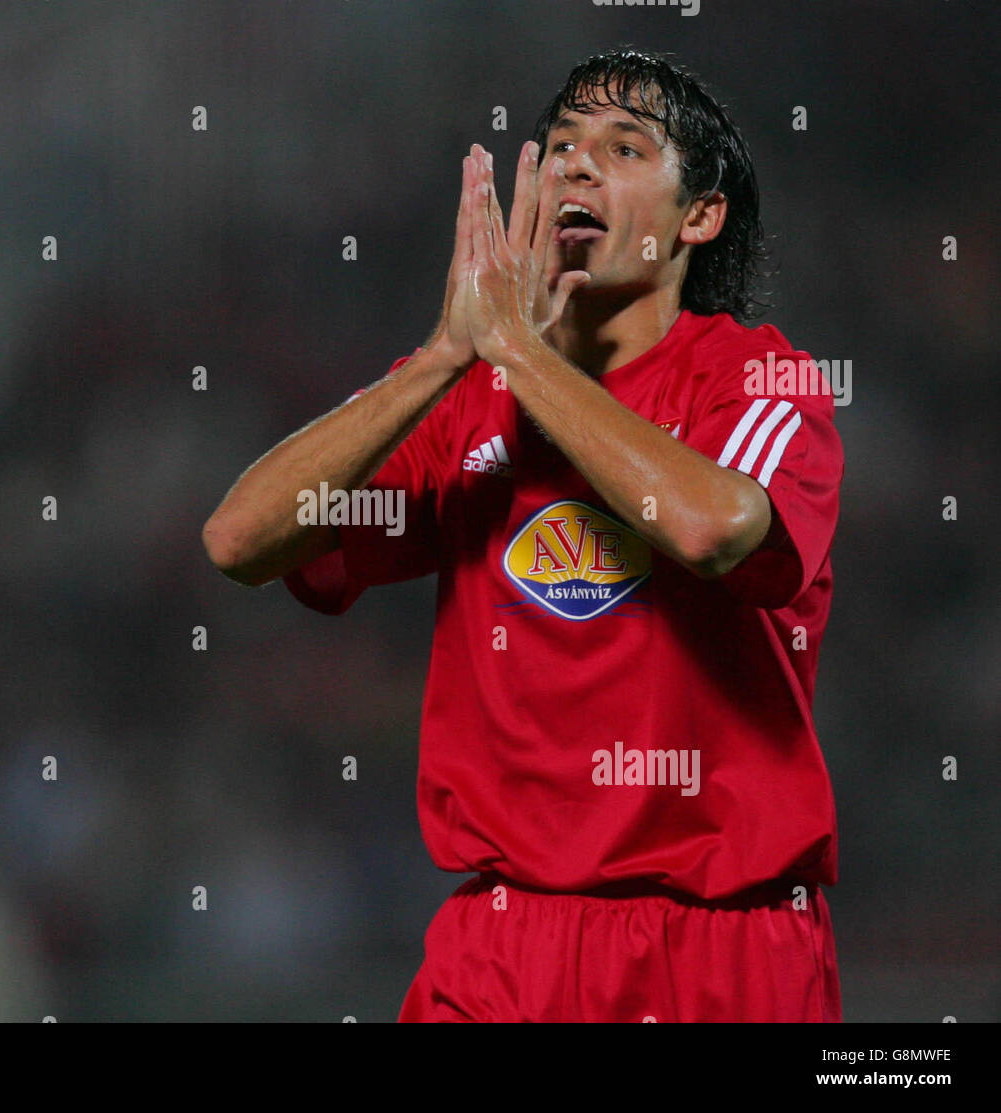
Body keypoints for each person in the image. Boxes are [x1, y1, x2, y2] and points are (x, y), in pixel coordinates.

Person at [202, 49, 843, 1022]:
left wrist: (516, 356)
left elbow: (714, 528)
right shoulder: (468, 393)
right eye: (559, 148)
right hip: (503, 947)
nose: (576, 166)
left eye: (624, 148)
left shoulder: (758, 380)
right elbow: (240, 539)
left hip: (719, 943)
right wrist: (443, 358)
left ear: (697, 219)